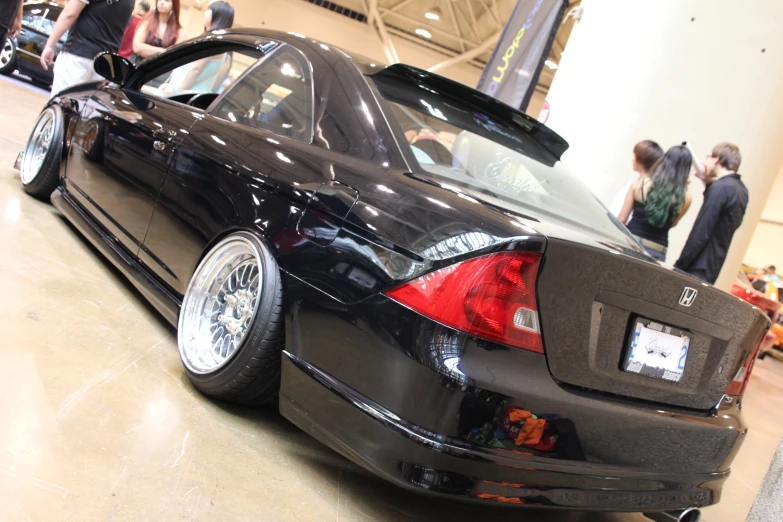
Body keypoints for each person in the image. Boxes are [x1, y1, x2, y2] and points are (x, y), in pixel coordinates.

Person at [675, 143, 748, 284]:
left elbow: (702, 230)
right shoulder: (741, 191)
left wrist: (680, 266)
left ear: (716, 159)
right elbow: (722, 224)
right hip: (712, 267)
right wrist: (709, 184)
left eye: (709, 158)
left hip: (696, 267)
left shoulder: (720, 188)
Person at [40, 0, 135, 96]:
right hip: (105, 64)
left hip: (78, 55)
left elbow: (69, 14)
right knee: (85, 108)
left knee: (63, 103)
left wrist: (50, 45)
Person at [618, 145, 694, 261]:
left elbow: (622, 219)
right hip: (658, 250)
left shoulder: (640, 184)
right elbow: (673, 223)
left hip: (631, 243)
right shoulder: (686, 197)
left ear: (664, 160)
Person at [161, 1, 234, 92]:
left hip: (184, 94)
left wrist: (178, 93)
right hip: (195, 94)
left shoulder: (210, 41)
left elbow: (196, 69)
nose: (205, 13)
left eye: (208, 10)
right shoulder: (221, 45)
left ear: (218, 16)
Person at [609, 140, 664, 221]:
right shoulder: (658, 188)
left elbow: (620, 217)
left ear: (641, 160)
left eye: (635, 155)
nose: (632, 159)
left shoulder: (635, 186)